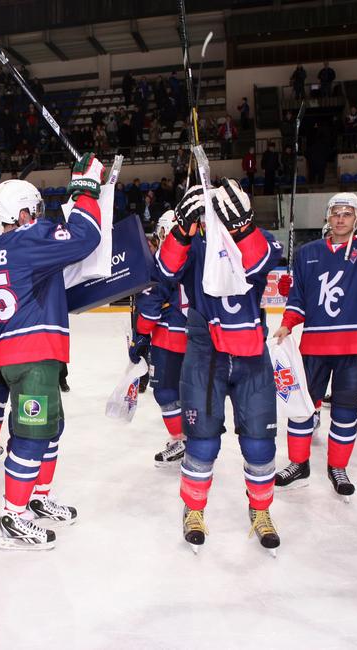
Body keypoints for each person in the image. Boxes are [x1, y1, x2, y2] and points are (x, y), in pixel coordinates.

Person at [157, 179, 284, 552]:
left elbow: (261, 260)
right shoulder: (197, 246)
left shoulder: (259, 239)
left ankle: (261, 511)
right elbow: (164, 272)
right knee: (202, 442)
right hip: (205, 355)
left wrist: (242, 226)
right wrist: (182, 229)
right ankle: (193, 509)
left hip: (251, 356)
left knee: (260, 445)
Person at [0, 155, 104, 550]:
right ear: (21, 214)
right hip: (31, 352)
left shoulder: (5, 246)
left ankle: (37, 495)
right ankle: (13, 516)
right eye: (35, 211)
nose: (40, 217)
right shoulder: (26, 240)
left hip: (26, 350)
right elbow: (86, 238)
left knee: (51, 427)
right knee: (33, 436)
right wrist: (85, 190)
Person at [273, 193, 357, 498]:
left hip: (356, 345)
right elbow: (299, 299)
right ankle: (299, 464)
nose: (340, 219)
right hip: (316, 345)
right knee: (302, 409)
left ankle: (338, 466)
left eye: (347, 214)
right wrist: (287, 323)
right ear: (327, 216)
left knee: (346, 413)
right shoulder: (308, 252)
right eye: (335, 213)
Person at [130, 211, 188, 467]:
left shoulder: (163, 263)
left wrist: (141, 334)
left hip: (169, 338)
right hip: (199, 338)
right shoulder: (201, 255)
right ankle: (195, 440)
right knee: (191, 393)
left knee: (166, 392)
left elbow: (151, 308)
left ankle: (180, 441)